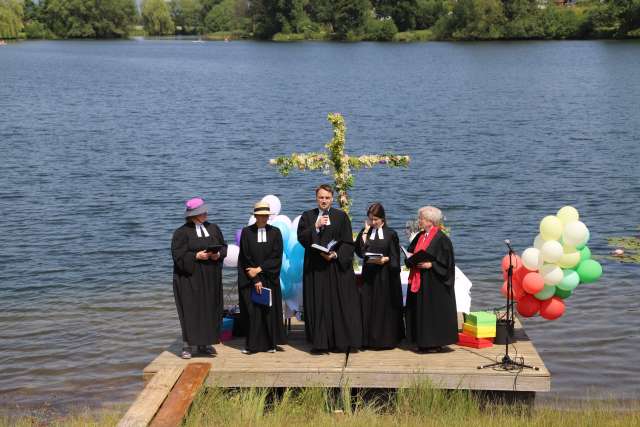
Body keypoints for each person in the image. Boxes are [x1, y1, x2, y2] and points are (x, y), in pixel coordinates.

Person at [297, 184, 362, 352]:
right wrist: (315, 226)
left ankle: (338, 341)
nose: (324, 201)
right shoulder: (308, 216)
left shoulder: (341, 217)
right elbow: (302, 238)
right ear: (316, 198)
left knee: (336, 303)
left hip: (334, 267)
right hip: (315, 267)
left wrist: (335, 255)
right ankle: (320, 343)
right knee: (318, 303)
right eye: (321, 197)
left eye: (327, 198)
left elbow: (348, 242)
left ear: (332, 199)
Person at [171, 197, 227, 359]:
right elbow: (178, 255)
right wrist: (196, 255)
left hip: (210, 277)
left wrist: (218, 254)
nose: (206, 214)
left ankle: (205, 344)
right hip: (190, 278)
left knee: (209, 308)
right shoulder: (181, 232)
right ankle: (187, 345)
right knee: (191, 310)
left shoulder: (214, 228)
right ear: (194, 215)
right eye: (203, 212)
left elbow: (224, 247)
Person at [404, 206, 458, 352]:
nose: (419, 221)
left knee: (431, 312)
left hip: (434, 282)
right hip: (420, 279)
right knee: (420, 310)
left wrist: (431, 264)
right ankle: (420, 340)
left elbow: (447, 263)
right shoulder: (420, 236)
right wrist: (409, 259)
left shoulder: (442, 239)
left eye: (421, 218)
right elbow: (410, 253)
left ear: (430, 221)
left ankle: (434, 343)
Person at [237, 201, 287, 354]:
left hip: (270, 277)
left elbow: (276, 256)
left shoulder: (276, 232)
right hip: (251, 278)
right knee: (253, 312)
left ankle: (271, 344)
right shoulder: (247, 232)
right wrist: (255, 279)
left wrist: (260, 269)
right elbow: (246, 257)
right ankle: (252, 346)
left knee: (269, 311)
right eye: (260, 216)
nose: (263, 218)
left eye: (266, 216)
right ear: (255, 216)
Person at [355, 203, 405, 349]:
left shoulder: (391, 233)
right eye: (371, 219)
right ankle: (368, 339)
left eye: (376, 219)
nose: (373, 222)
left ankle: (386, 340)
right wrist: (364, 232)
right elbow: (360, 252)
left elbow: (395, 257)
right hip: (369, 275)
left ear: (382, 218)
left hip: (385, 276)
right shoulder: (366, 232)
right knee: (368, 305)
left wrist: (386, 260)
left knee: (384, 307)